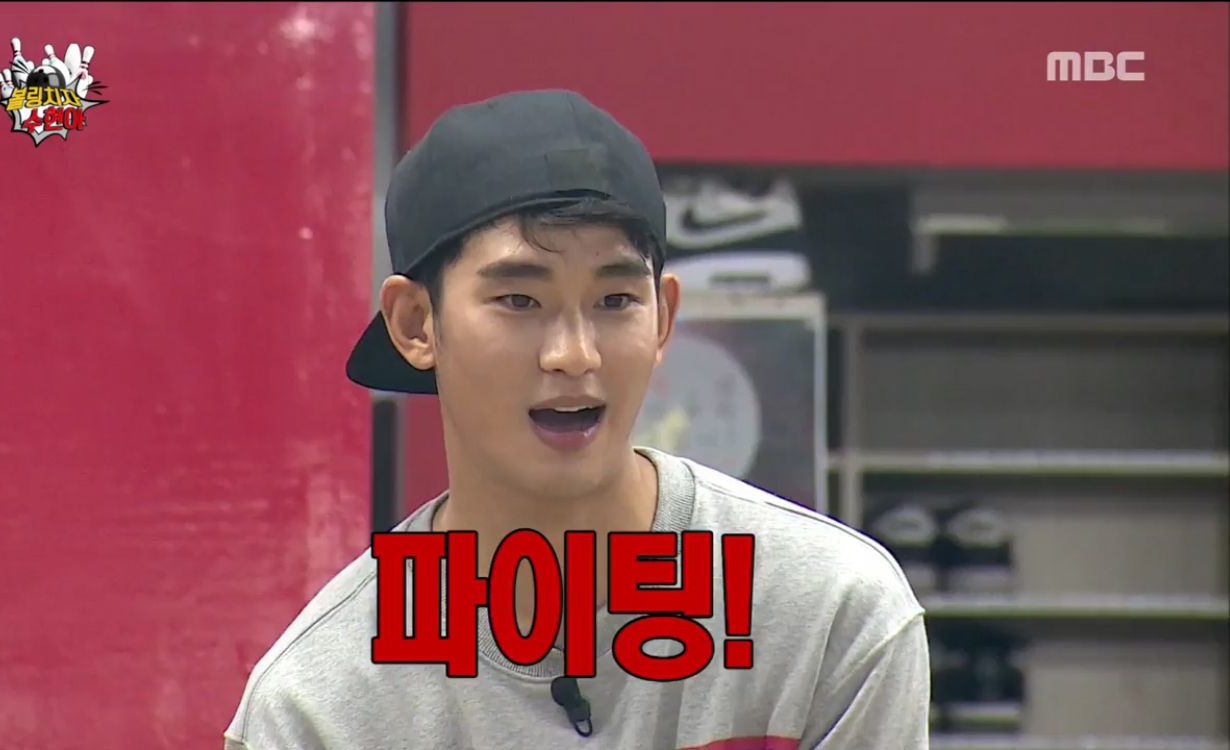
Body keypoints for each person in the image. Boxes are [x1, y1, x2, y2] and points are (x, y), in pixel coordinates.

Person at [223, 89, 930, 750]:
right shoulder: (320, 708)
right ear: (415, 323)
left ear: (663, 319)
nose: (574, 354)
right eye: (519, 302)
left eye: (615, 301)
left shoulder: (828, 616)